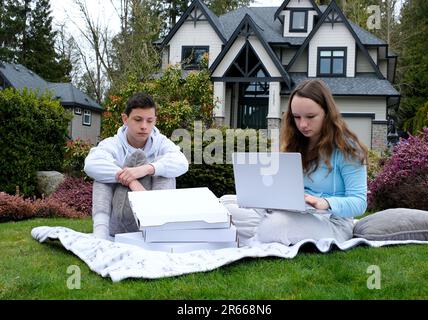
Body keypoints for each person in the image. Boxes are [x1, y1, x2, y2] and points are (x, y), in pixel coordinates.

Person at [221, 79, 368, 245]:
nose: (303, 124)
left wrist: (325, 203)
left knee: (276, 225)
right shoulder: (294, 142)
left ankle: (256, 236)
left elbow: (359, 202)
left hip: (332, 222)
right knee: (225, 205)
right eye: (297, 117)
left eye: (311, 117)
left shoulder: (348, 149)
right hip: (294, 212)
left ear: (327, 113)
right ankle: (264, 231)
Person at [84, 92, 189, 239]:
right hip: (116, 222)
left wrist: (146, 169)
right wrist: (131, 180)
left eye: (149, 121)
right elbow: (91, 164)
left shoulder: (161, 142)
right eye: (138, 120)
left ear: (155, 121)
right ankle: (100, 233)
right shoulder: (113, 143)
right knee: (102, 175)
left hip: (152, 217)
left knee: (165, 170)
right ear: (125, 119)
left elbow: (182, 163)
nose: (144, 126)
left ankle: (158, 231)